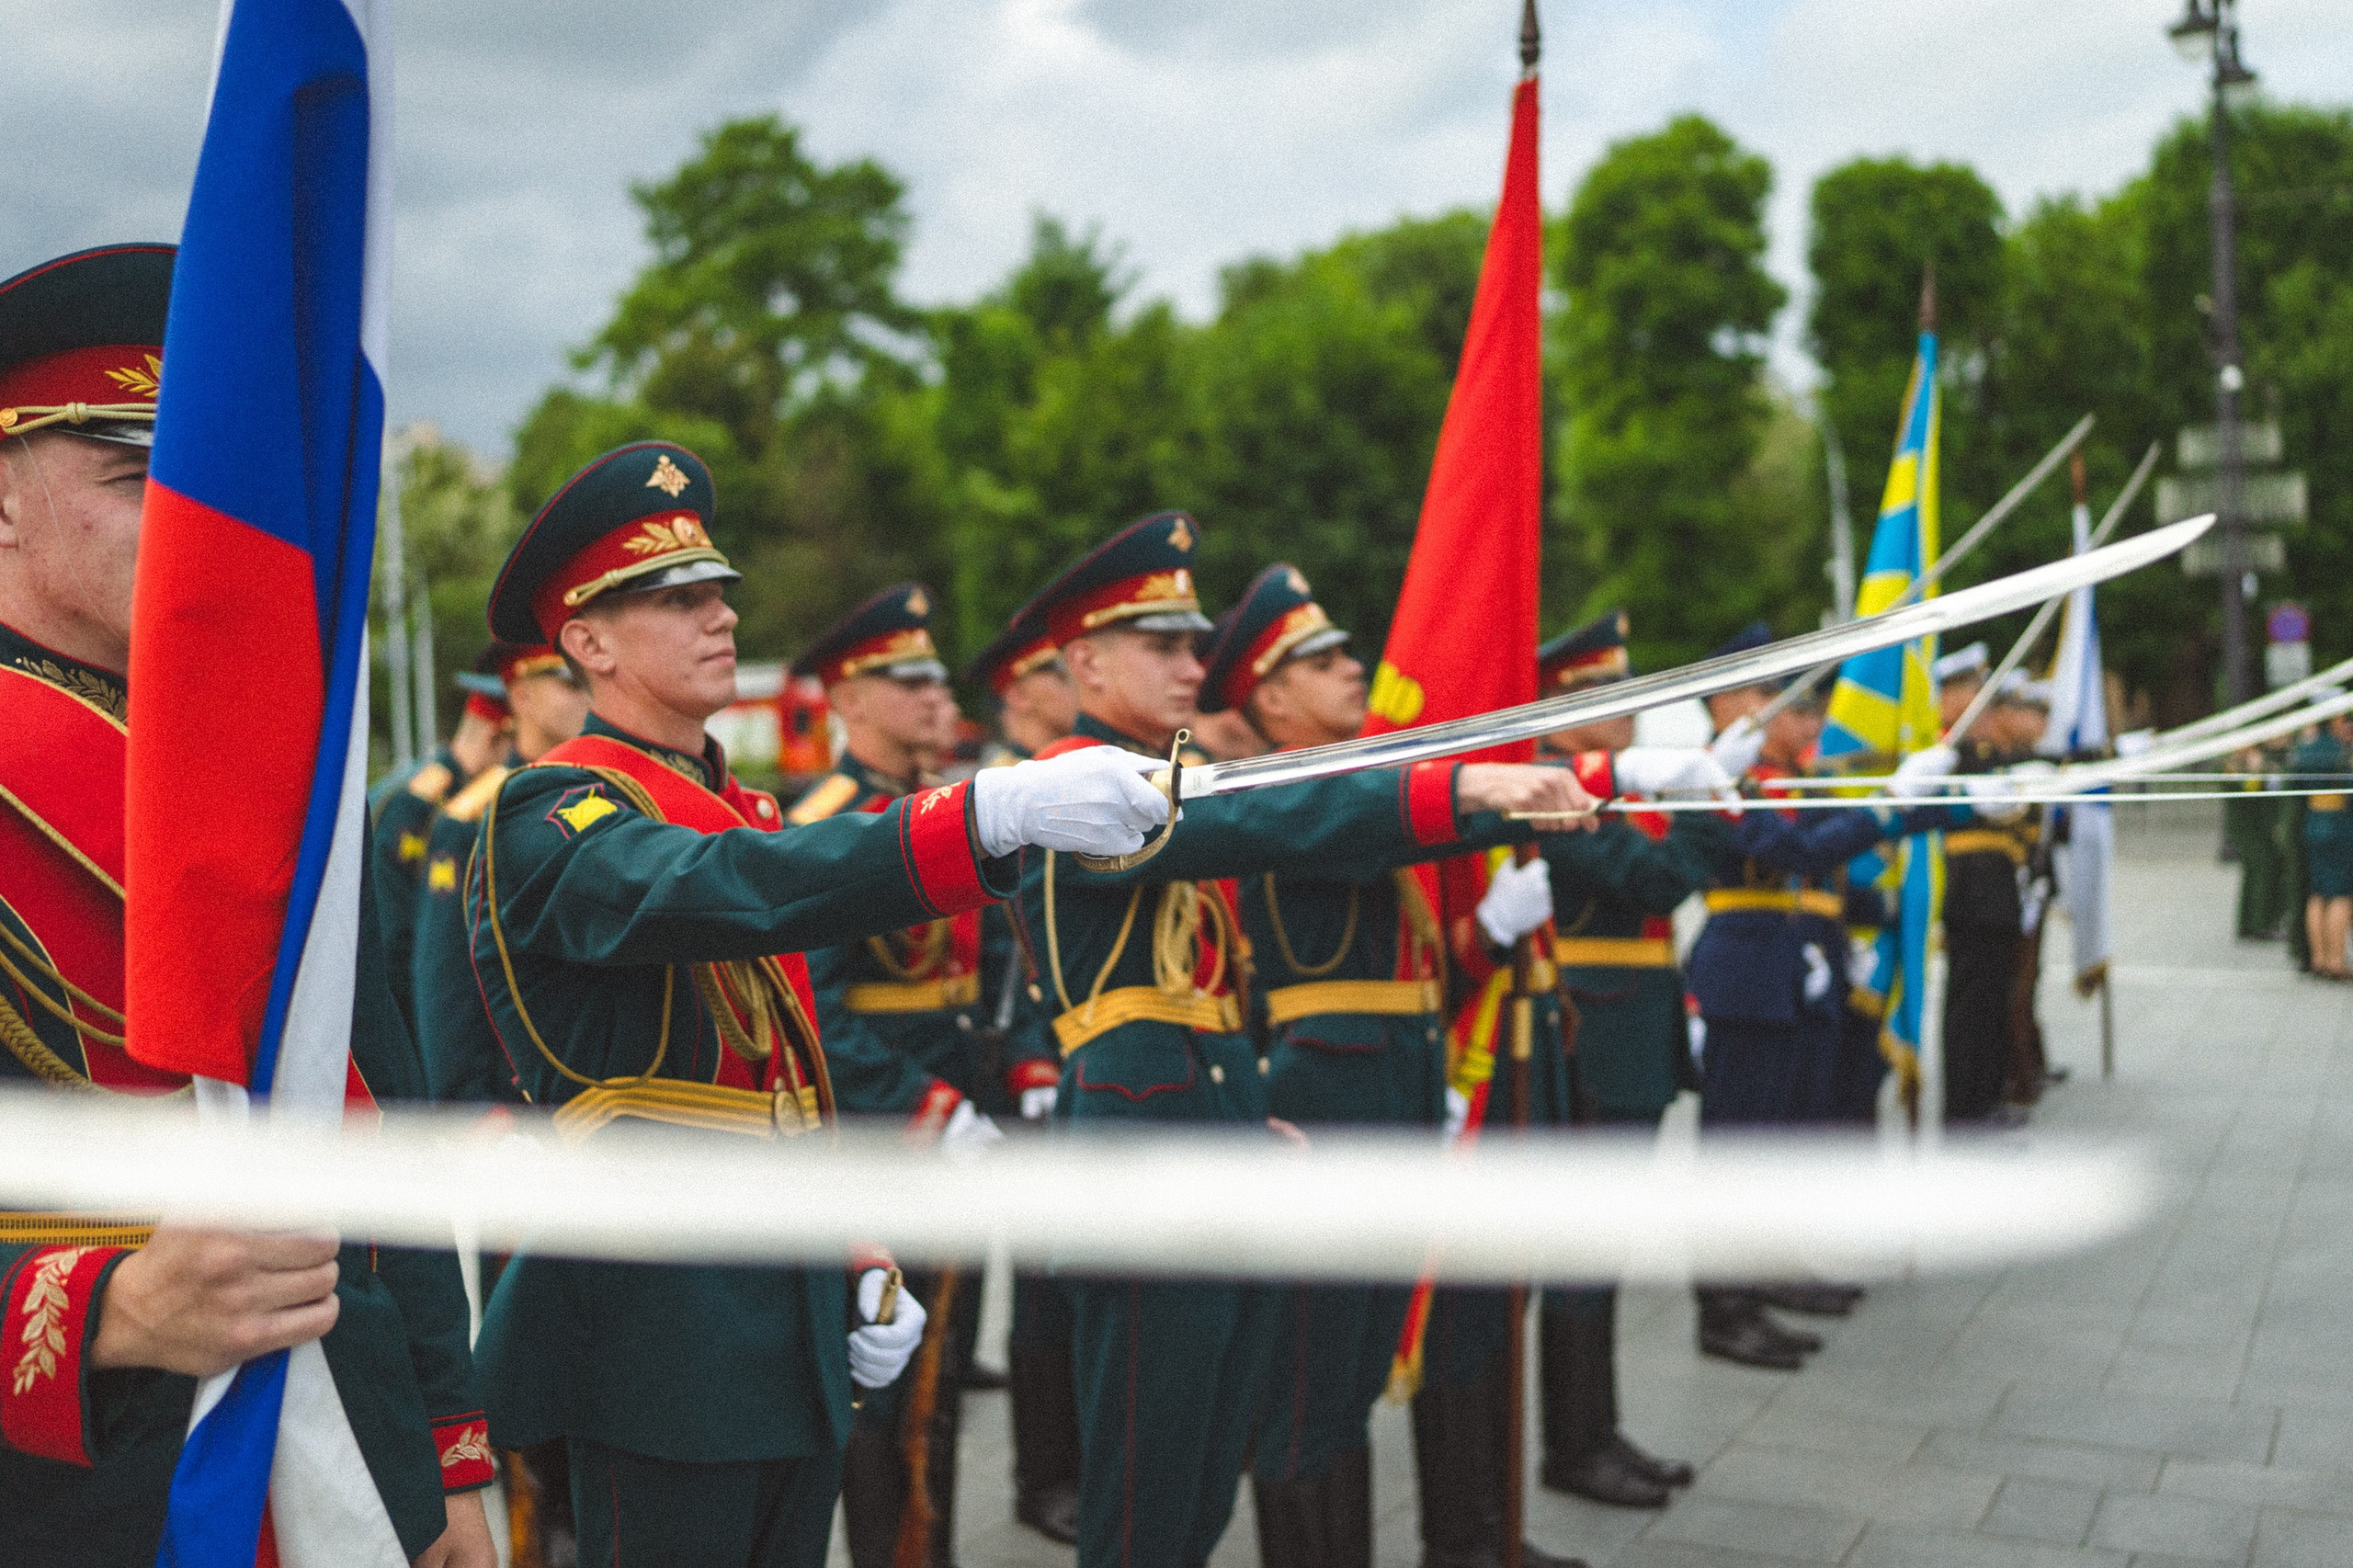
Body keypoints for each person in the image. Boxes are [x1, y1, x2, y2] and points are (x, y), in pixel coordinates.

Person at [463, 440, 1177, 1566]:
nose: (718, 618)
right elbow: (717, 891)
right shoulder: (548, 810)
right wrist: (977, 815)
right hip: (658, 1316)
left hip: (779, 1288)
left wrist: (842, 1247)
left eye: (718, 594)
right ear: (586, 641)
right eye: (673, 598)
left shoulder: (739, 806)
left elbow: (775, 1079)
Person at [0, 244, 495, 1566]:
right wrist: (101, 1309)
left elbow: (373, 1123)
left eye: (205, 473)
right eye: (131, 472)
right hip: (81, 1484)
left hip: (352, 1444)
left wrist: (446, 1451)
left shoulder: (264, 774)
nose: (193, 513)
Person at [1012, 514, 1597, 1568]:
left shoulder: (1162, 772)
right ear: (1085, 661)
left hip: (1214, 1147)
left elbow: (1205, 1002)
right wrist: (1465, 784)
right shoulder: (1076, 778)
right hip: (1141, 1181)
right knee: (1146, 1507)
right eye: (1165, 646)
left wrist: (1242, 1115)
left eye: (1197, 644)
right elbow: (1273, 822)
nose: (1195, 666)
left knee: (1192, 1499)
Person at [787, 583, 1055, 1567]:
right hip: (877, 1135)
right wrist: (925, 1107)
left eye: (940, 678)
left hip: (958, 1116)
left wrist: (1014, 1066)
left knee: (939, 1384)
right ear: (851, 698)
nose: (939, 697)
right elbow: (811, 1001)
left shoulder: (939, 815)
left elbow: (994, 958)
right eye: (912, 680)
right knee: (881, 1391)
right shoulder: (822, 818)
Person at [1686, 625, 1950, 1368]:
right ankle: (1725, 1306)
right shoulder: (1718, 772)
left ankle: (1773, 1271)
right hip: (1744, 976)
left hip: (1784, 973)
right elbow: (1796, 849)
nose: (1798, 717)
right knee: (1737, 1150)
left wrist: (1956, 799)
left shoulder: (1777, 775)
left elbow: (1839, 827)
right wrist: (1892, 805)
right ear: (1729, 700)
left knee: (1776, 1143)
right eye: (1778, 697)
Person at [1527, 612, 1721, 1510]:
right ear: (1566, 704)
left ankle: (1595, 1428)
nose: (1630, 706)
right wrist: (1702, 811)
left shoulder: (1608, 784)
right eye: (1610, 690)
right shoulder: (1549, 784)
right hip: (1592, 1031)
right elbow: (1655, 879)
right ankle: (1573, 1442)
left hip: (1630, 1025)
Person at [963, 609, 1086, 1545]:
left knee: (1068, 1280)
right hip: (1014, 1070)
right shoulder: (999, 794)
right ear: (1016, 690)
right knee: (1038, 1287)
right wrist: (1025, 1059)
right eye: (1052, 671)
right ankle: (1043, 1477)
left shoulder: (1069, 781)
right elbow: (997, 955)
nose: (1069, 682)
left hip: (1068, 1059)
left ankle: (1065, 1462)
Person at [413, 641, 586, 1101]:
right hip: (518, 1101)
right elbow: (447, 975)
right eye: (570, 682)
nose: (588, 694)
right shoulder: (473, 819)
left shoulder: (605, 794)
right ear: (522, 697)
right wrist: (468, 1105)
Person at [371, 648, 517, 1035]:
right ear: (497, 737)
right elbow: (397, 933)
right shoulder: (418, 803)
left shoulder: (439, 789)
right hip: (411, 1015)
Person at [1942, 672, 2045, 1125]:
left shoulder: (1990, 756)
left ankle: (1983, 1098)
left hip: (1997, 893)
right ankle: (1965, 1107)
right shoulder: (1954, 753)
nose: (1988, 714)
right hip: (1973, 894)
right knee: (1972, 1006)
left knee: (1991, 1003)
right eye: (1979, 702)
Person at [2292, 715, 2353, 980]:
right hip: (2340, 825)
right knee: (2341, 894)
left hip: (2314, 822)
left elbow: (2295, 785)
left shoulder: (2305, 749)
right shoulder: (2343, 750)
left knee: (2317, 892)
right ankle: (2335, 960)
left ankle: (2318, 956)